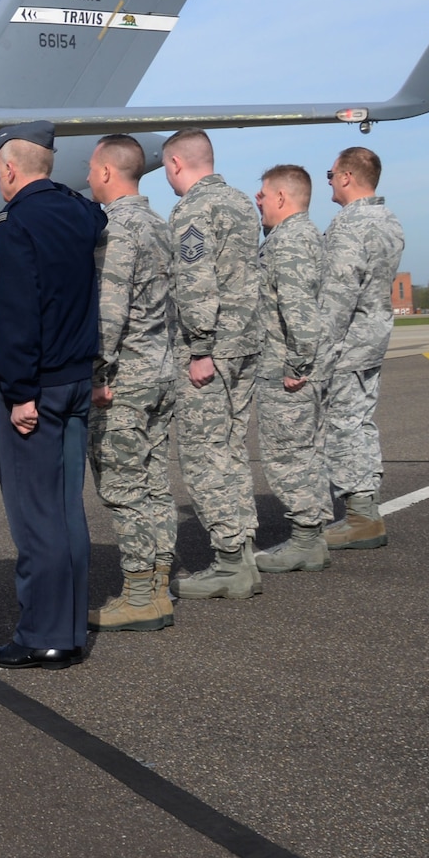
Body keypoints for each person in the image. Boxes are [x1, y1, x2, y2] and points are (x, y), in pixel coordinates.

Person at [0, 121, 106, 669]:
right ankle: (69, 627)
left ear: (9, 168)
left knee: (37, 516)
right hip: (77, 378)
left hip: (39, 387)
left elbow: (14, 318)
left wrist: (19, 392)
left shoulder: (15, 227)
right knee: (66, 508)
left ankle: (43, 634)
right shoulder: (82, 215)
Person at [163, 128, 265, 600]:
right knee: (230, 451)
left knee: (205, 456)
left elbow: (196, 280)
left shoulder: (192, 210)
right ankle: (241, 551)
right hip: (245, 343)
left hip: (213, 349)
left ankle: (230, 562)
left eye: (166, 168)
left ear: (177, 164)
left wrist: (199, 348)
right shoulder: (243, 203)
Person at [84, 134, 181, 632]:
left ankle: (140, 593)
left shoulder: (118, 230)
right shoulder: (160, 224)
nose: (85, 177)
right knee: (155, 484)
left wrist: (98, 376)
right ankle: (160, 584)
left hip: (126, 380)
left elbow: (109, 313)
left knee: (124, 490)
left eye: (90, 169)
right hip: (163, 372)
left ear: (105, 172)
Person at [317, 146, 406, 550]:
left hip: (347, 343)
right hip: (372, 336)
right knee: (360, 421)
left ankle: (361, 517)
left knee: (345, 425)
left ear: (347, 176)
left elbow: (338, 294)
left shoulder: (350, 224)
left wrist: (315, 350)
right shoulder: (387, 220)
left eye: (332, 174)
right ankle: (364, 509)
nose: (331, 181)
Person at [251, 164, 331, 573]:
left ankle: (305, 541)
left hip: (286, 371)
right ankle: (310, 536)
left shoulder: (290, 242)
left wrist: (296, 365)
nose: (258, 200)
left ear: (281, 197)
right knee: (305, 452)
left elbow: (300, 314)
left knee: (288, 456)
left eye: (263, 194)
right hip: (292, 365)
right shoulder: (298, 236)